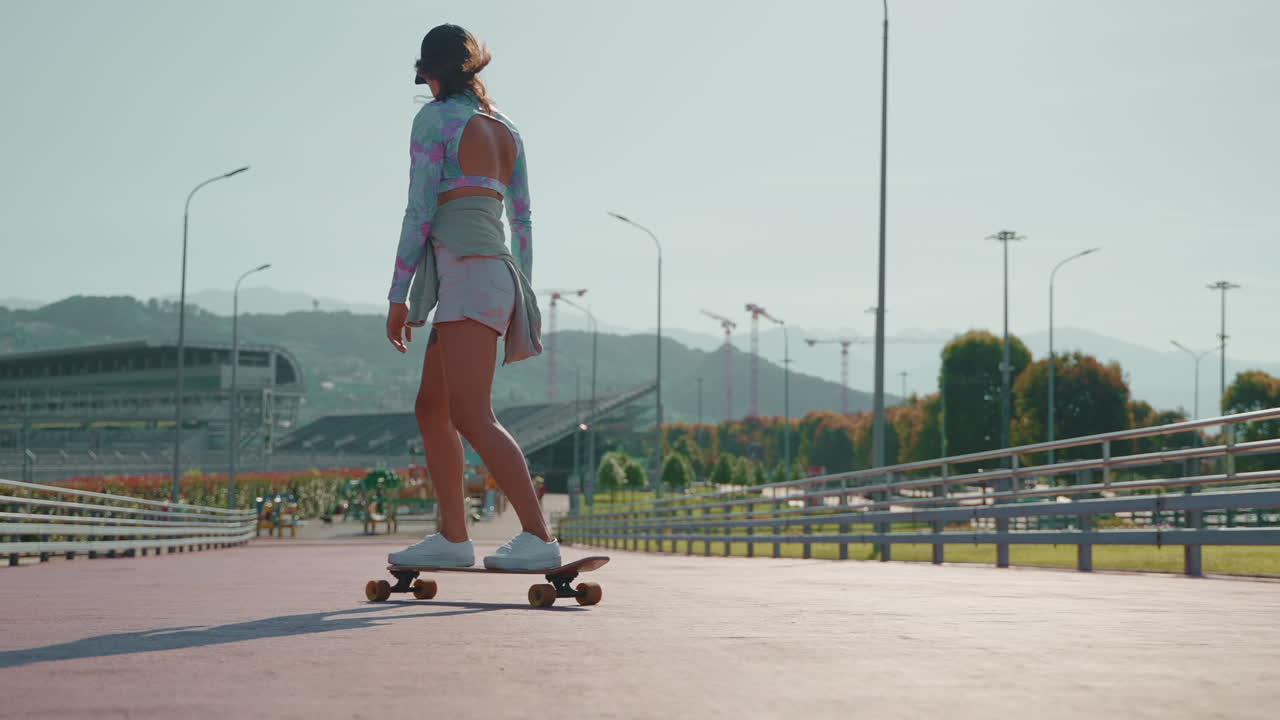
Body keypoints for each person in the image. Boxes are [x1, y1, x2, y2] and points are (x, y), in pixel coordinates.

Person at [384, 24, 557, 571]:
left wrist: (398, 295)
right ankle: (453, 536)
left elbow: (419, 211)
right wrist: (520, 292)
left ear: (431, 73)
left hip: (466, 274)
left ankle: (537, 535)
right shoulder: (506, 129)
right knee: (432, 408)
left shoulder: (435, 120)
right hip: (496, 274)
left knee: (472, 414)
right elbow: (523, 219)